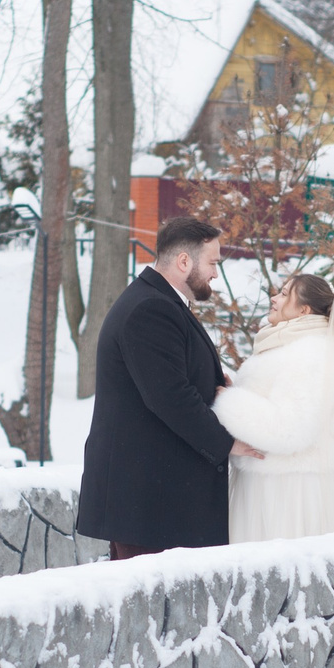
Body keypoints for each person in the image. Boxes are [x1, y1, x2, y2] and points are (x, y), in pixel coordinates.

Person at [76, 216, 264, 558]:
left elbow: (173, 378)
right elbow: (170, 397)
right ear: (183, 261)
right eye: (212, 263)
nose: (214, 274)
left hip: (153, 505)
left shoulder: (159, 302)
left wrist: (219, 386)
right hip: (147, 503)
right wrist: (227, 443)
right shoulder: (151, 309)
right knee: (149, 609)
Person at [212, 272, 334, 541]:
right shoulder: (288, 347)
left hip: (292, 496)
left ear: (303, 310)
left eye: (284, 294)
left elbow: (288, 429)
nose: (274, 298)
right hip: (270, 489)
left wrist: (228, 403)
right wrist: (237, 394)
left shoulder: (312, 354)